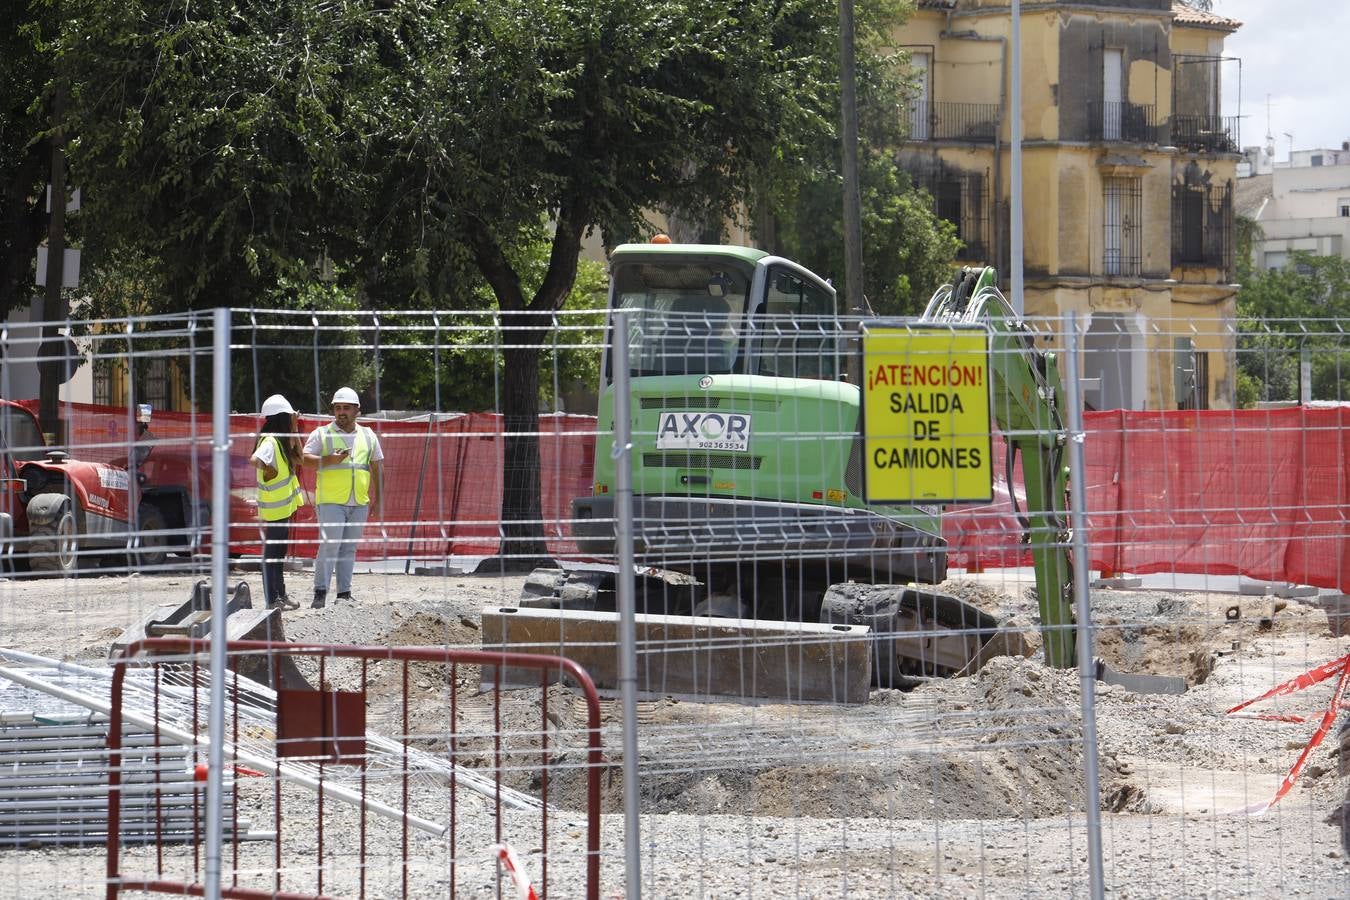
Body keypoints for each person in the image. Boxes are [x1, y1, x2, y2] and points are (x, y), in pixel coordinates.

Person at [303, 386, 383, 608]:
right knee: (330, 545)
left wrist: (379, 499)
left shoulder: (368, 435)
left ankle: (344, 595)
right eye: (337, 408)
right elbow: (304, 459)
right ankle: (320, 593)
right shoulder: (321, 433)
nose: (341, 412)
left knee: (349, 548)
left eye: (346, 408)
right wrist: (329, 460)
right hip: (330, 501)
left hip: (359, 501)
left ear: (357, 410)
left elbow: (377, 467)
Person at [250, 394, 305, 611]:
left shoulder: (280, 441)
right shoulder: (271, 442)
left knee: (278, 553)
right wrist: (269, 469)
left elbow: (299, 457)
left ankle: (280, 594)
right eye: (290, 416)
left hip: (283, 508)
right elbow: (255, 459)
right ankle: (272, 600)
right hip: (275, 509)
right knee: (271, 555)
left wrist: (294, 428)